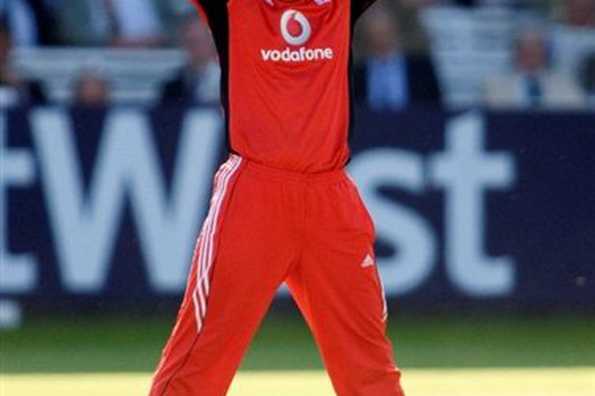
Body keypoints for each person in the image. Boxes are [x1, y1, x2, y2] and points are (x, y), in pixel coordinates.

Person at [149, 0, 405, 395]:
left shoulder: (337, 5)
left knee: (368, 369)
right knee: (200, 357)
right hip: (254, 195)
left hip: (330, 197)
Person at [354, 6, 441, 111]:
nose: (382, 39)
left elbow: (435, 106)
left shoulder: (421, 69)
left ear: (394, 32)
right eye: (377, 34)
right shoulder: (357, 73)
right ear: (368, 36)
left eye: (385, 33)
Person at [483, 27, 585, 109]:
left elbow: (577, 117)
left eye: (536, 49)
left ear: (545, 54)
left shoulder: (566, 84)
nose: (531, 55)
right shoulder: (495, 86)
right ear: (516, 54)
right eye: (526, 50)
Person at [159, 16, 220, 106]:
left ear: (211, 42)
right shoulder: (173, 84)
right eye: (189, 41)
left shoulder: (225, 80)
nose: (193, 48)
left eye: (198, 41)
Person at [0, 24, 46, 106]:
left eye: (4, 43)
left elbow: (41, 107)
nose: (1, 49)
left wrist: (21, 88)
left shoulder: (27, 80)